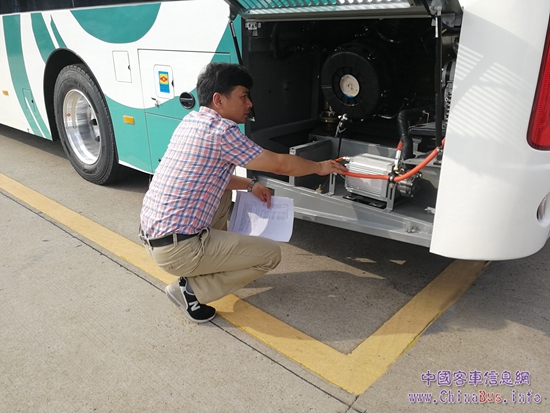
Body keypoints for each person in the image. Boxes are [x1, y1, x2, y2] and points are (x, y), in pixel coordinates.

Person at [139, 62, 347, 323]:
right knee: (270, 255)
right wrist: (319, 167)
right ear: (219, 100)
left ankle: (210, 265)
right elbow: (279, 164)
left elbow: (213, 178)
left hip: (155, 238)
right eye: (244, 96)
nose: (250, 104)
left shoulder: (192, 121)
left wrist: (251, 185)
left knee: (224, 193)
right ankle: (191, 291)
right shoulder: (222, 132)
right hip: (178, 250)